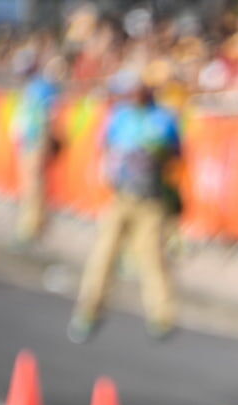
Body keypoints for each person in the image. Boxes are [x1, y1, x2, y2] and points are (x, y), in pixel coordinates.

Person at [68, 70, 180, 343]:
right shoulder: (119, 116)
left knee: (152, 257)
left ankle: (161, 316)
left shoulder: (163, 118)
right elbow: (104, 147)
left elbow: (176, 153)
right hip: (121, 198)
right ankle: (89, 311)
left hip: (152, 200)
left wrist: (155, 153)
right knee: (103, 255)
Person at [11, 55, 66, 249]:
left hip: (36, 140)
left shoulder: (43, 89)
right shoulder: (37, 88)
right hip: (30, 140)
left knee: (34, 183)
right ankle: (33, 223)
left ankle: (33, 226)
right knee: (31, 183)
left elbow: (47, 118)